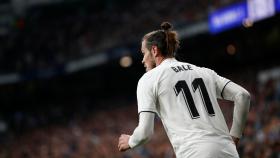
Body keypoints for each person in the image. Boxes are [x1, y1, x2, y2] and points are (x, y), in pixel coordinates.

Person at [118, 22, 250, 158]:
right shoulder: (204, 72)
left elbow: (145, 133)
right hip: (228, 150)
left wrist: (130, 141)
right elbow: (243, 95)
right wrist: (234, 137)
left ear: (154, 50)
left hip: (194, 152)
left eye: (143, 53)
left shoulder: (149, 79)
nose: (143, 60)